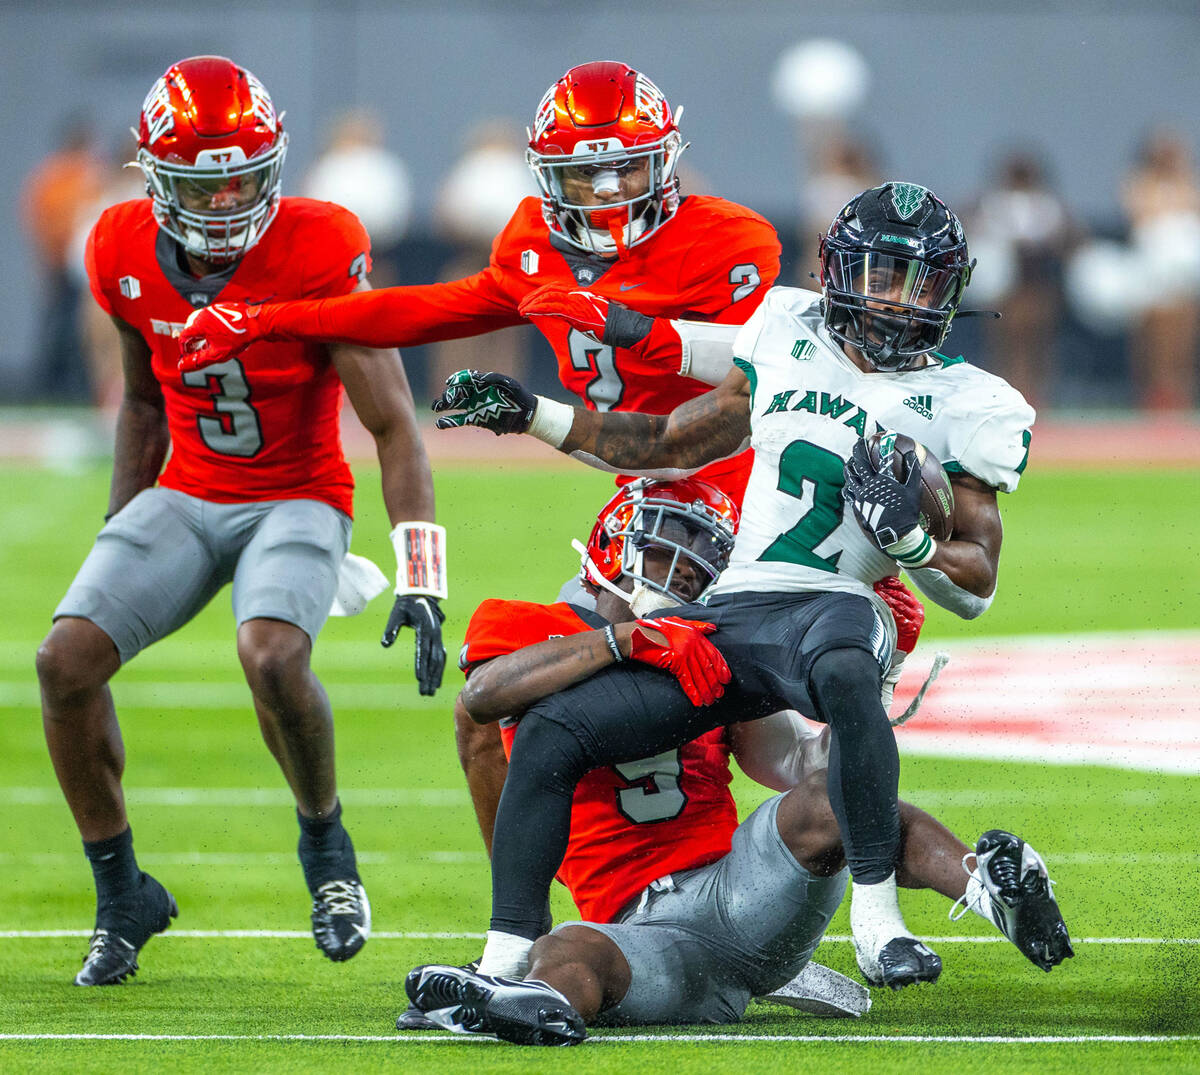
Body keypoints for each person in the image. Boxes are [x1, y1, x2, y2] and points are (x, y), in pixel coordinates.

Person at [427, 182, 1038, 990]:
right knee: (556, 725)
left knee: (845, 677)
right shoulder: (785, 329)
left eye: (915, 282)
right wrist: (534, 411)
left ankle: (878, 921)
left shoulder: (971, 402)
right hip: (740, 604)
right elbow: (663, 435)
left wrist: (914, 540)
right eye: (877, 275)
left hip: (844, 605)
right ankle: (505, 961)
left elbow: (976, 588)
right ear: (838, 273)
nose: (894, 301)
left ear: (951, 291)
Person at [33, 56, 445, 987]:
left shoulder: (318, 243)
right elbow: (143, 404)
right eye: (199, 185)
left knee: (269, 651)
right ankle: (120, 889)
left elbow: (391, 423)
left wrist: (422, 570)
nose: (222, 207)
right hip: (190, 489)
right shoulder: (118, 245)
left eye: (240, 181)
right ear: (153, 179)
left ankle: (325, 846)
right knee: (63, 662)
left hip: (298, 492)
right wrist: (118, 529)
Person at [399, 478, 1070, 1046]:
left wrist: (877, 668)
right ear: (610, 547)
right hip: (634, 925)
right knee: (571, 954)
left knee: (827, 801)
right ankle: (523, 1001)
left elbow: (808, 761)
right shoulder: (524, 624)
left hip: (742, 891)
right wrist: (622, 641)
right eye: (667, 554)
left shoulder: (713, 643)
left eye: (697, 568)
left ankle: (992, 889)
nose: (682, 576)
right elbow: (482, 697)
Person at [177, 59, 782, 508]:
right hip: (641, 484)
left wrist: (629, 328)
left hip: (746, 476)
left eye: (625, 168)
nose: (607, 193)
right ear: (548, 178)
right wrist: (265, 319)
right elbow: (421, 312)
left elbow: (767, 374)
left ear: (665, 159)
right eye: (583, 177)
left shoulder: (726, 241)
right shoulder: (535, 248)